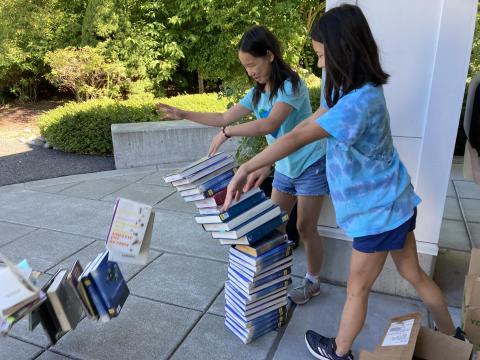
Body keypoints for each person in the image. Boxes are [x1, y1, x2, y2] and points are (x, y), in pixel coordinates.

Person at [222, 5, 463, 360]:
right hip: (395, 201)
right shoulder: (347, 90)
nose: (319, 64)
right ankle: (452, 334)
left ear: (343, 50)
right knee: (413, 274)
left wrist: (247, 167)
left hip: (377, 215)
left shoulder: (357, 104)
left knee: (356, 287)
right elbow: (306, 127)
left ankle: (339, 350)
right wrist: (263, 164)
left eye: (321, 55)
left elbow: (298, 138)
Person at [157, 25, 328, 305]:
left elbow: (269, 124)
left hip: (310, 164)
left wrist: (228, 133)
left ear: (270, 56)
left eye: (252, 64)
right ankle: (272, 277)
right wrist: (183, 113)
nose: (251, 71)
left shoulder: (291, 85)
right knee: (274, 226)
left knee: (306, 227)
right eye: (246, 67)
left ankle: (313, 281)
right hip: (283, 166)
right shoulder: (257, 93)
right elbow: (224, 116)